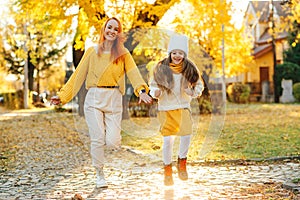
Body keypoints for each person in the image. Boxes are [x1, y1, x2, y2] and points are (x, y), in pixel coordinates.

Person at [50, 17, 152, 188]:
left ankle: (106, 147)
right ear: (104, 29)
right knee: (97, 139)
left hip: (114, 98)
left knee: (113, 142)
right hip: (94, 98)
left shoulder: (123, 53)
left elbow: (134, 73)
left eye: (116, 29)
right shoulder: (92, 51)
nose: (112, 31)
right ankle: (100, 174)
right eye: (109, 27)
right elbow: (78, 76)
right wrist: (63, 96)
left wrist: (141, 90)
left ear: (119, 34)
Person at [149, 34, 204, 186]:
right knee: (168, 140)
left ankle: (182, 162)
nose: (177, 56)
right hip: (166, 109)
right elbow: (152, 85)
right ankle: (167, 170)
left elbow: (199, 85)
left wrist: (192, 92)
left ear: (184, 55)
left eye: (180, 53)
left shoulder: (189, 69)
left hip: (183, 107)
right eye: (174, 53)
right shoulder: (161, 69)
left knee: (186, 135)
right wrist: (155, 93)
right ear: (170, 54)